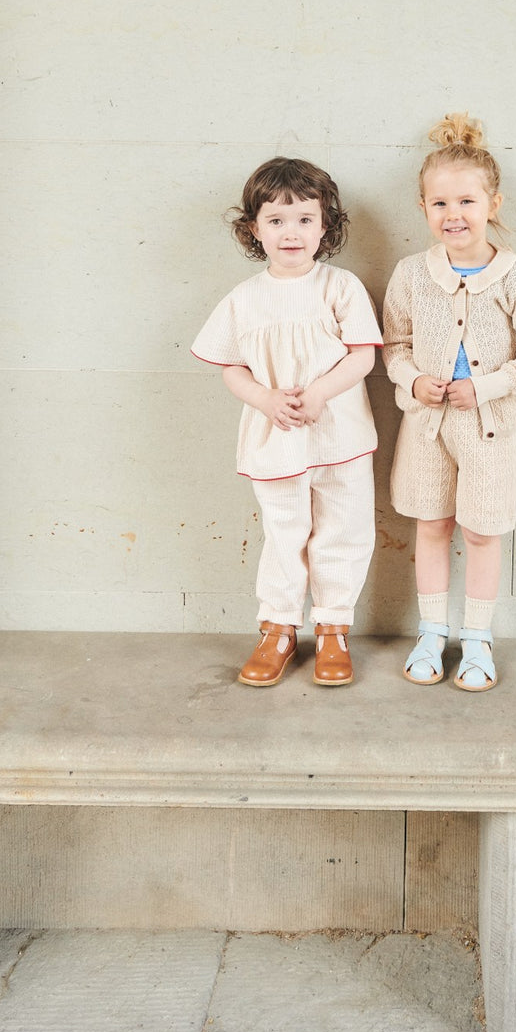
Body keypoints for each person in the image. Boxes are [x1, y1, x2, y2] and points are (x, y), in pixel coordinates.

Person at [383, 114, 516, 692]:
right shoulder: (412, 275)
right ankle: (432, 631)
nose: (452, 214)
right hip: (427, 428)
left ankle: (478, 638)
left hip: (488, 430)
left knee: (482, 531)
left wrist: (482, 388)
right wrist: (412, 382)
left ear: (493, 202)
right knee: (431, 524)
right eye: (438, 203)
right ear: (424, 208)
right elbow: (397, 345)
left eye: (465, 201)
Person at [192, 158, 381, 688]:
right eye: (276, 220)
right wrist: (266, 398)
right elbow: (231, 366)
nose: (290, 232)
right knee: (284, 533)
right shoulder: (244, 299)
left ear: (326, 226)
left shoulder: (339, 287)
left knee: (344, 530)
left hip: (340, 435)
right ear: (254, 228)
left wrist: (320, 392)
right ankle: (277, 628)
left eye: (304, 218)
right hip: (275, 439)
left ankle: (333, 629)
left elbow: (362, 356)